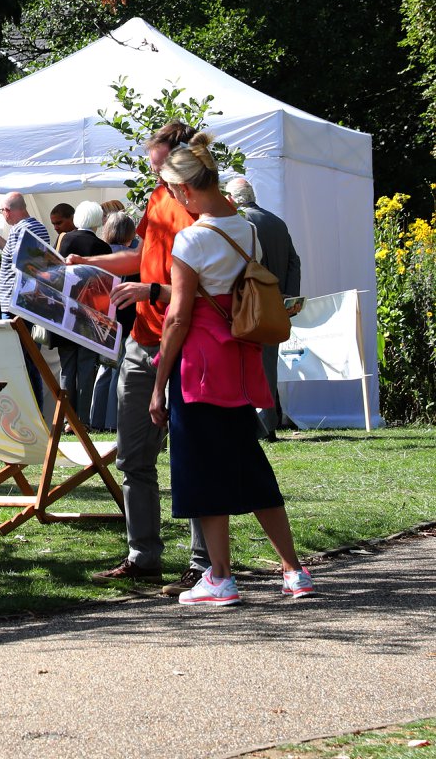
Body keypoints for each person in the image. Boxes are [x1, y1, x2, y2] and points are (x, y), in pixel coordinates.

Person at [150, 136, 313, 604]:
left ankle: (219, 576)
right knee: (249, 465)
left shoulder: (192, 237)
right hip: (238, 363)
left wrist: (158, 386)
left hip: (199, 367)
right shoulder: (248, 230)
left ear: (183, 191)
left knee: (200, 469)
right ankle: (293, 570)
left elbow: (180, 316)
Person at [69, 123, 211, 595]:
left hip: (186, 342)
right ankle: (143, 557)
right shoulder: (156, 200)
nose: (154, 173)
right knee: (133, 455)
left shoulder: (196, 207)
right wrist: (89, 265)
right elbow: (141, 258)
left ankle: (203, 563)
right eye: (153, 166)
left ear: (181, 163)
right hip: (142, 340)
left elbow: (195, 285)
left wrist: (150, 289)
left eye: (158, 164)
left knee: (192, 456)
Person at [224, 176, 302, 439]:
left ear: (232, 198)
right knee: (268, 362)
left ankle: (262, 425)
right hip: (276, 302)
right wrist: (289, 296)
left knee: (249, 363)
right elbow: (294, 261)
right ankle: (269, 419)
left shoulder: (241, 222)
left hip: (251, 302)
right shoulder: (276, 222)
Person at [0, 191, 49, 397]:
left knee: (19, 361)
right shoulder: (29, 228)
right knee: (25, 360)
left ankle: (31, 412)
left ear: (7, 211)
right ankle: (32, 412)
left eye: (2, 211)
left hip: (18, 305)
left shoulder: (24, 230)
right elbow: (17, 257)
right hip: (22, 304)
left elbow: (25, 265)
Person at [53, 200, 112, 421]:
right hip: (92, 314)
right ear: (98, 219)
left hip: (66, 311)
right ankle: (82, 419)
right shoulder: (103, 247)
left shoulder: (65, 240)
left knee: (67, 367)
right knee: (87, 367)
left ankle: (66, 418)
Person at [91, 210, 140, 432]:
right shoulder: (132, 257)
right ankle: (113, 421)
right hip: (126, 318)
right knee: (118, 369)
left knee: (104, 369)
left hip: (102, 317)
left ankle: (97, 418)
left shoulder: (102, 254)